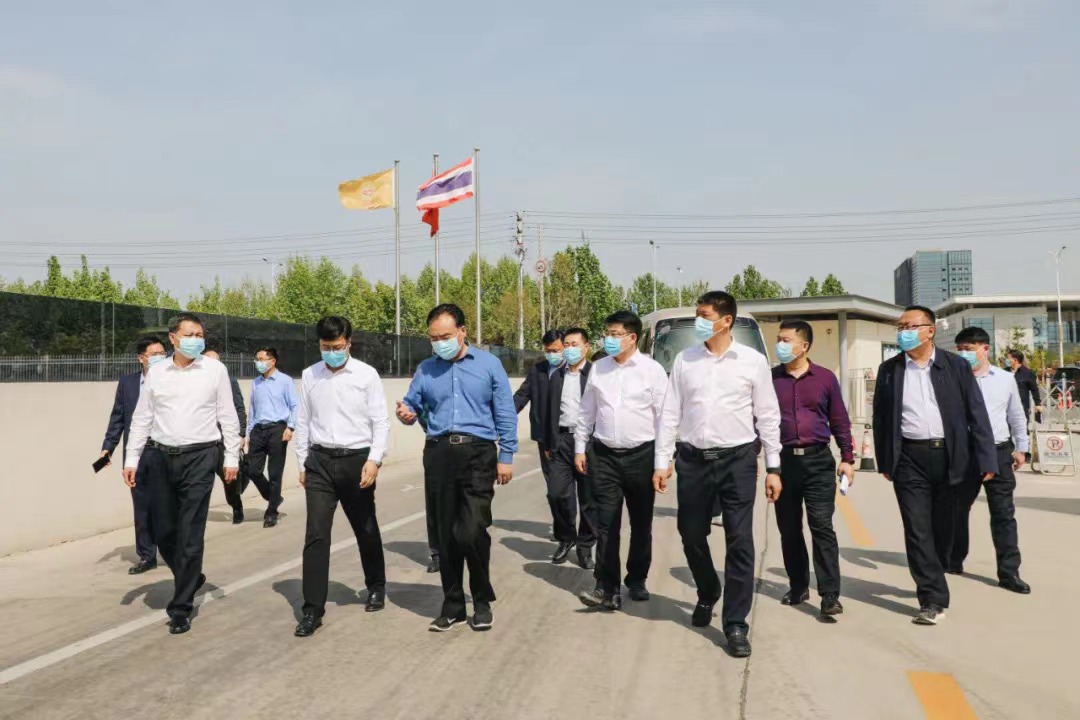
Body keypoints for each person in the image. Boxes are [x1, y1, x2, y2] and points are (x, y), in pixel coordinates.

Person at [653, 292, 782, 658]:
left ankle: (736, 623)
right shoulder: (685, 360)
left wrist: (773, 467)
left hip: (738, 460)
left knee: (740, 540)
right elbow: (670, 413)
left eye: (704, 315)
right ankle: (708, 589)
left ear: (726, 321)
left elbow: (768, 415)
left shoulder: (753, 362)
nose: (699, 321)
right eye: (697, 314)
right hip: (693, 460)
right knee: (691, 533)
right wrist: (662, 461)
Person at [872, 305, 996, 626]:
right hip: (909, 459)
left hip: (951, 457)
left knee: (944, 528)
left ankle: (936, 568)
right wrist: (885, 460)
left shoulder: (955, 366)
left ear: (930, 331)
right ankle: (932, 598)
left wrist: (986, 457)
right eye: (901, 327)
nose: (904, 332)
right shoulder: (890, 370)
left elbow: (976, 413)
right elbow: (881, 418)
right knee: (917, 529)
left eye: (910, 326)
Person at [397, 304, 517, 633]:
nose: (440, 343)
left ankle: (481, 600)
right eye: (434, 338)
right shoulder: (426, 369)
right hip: (439, 454)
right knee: (446, 534)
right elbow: (412, 404)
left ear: (463, 331)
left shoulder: (489, 365)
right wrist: (406, 413)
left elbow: (505, 411)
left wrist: (507, 454)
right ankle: (452, 606)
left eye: (446, 336)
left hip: (478, 453)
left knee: (472, 530)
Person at [123, 313, 241, 635]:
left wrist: (231, 457)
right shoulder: (157, 373)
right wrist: (132, 459)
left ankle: (180, 608)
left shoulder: (215, 370)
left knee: (190, 532)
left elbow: (228, 416)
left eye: (199, 334)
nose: (196, 340)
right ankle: (190, 574)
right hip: (161, 458)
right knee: (163, 532)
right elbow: (142, 418)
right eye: (189, 334)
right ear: (173, 338)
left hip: (201, 457)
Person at [292, 316, 390, 638]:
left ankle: (375, 585)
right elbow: (303, 421)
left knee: (365, 527)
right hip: (319, 462)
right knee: (316, 534)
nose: (331, 352)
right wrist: (303, 463)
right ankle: (312, 609)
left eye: (337, 346)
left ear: (348, 342)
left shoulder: (366, 375)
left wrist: (374, 460)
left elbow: (380, 421)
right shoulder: (310, 375)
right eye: (325, 347)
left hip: (356, 461)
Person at [575, 310, 667, 612]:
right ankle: (607, 587)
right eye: (607, 334)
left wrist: (662, 462)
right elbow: (586, 411)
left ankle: (637, 578)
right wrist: (580, 448)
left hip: (642, 456)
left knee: (641, 523)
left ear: (632, 337)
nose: (609, 340)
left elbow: (664, 419)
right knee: (606, 523)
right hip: (604, 456)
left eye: (615, 334)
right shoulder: (599, 369)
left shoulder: (652, 370)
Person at [770, 320, 854, 619]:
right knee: (789, 528)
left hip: (818, 462)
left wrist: (847, 458)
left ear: (804, 345)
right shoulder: (771, 379)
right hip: (783, 463)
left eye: (785, 340)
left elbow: (839, 419)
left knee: (821, 526)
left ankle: (830, 594)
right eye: (778, 339)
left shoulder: (825, 378)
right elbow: (759, 421)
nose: (779, 345)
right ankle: (798, 585)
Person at [950, 328, 1031, 594]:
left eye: (969, 348)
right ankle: (953, 559)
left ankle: (1009, 572)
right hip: (965, 454)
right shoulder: (950, 379)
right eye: (960, 349)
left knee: (1003, 513)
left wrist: (1021, 448)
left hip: (998, 452)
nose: (963, 354)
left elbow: (1016, 415)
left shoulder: (1005, 379)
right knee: (956, 510)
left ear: (985, 349)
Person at [100, 335, 168, 575]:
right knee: (142, 507)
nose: (160, 358)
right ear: (142, 358)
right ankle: (147, 555)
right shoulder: (127, 383)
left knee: (167, 505)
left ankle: (172, 550)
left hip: (166, 451)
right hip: (137, 453)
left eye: (163, 354)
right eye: (154, 354)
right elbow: (118, 417)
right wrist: (108, 447)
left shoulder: (173, 380)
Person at [542, 327, 597, 568]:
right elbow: (549, 411)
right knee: (556, 493)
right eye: (566, 345)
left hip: (590, 443)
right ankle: (566, 537)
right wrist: (548, 442)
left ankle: (585, 546)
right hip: (562, 441)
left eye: (575, 344)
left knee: (589, 499)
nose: (569, 349)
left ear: (586, 347)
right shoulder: (557, 376)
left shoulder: (596, 374)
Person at [246, 347, 298, 528]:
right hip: (258, 430)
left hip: (278, 430)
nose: (258, 362)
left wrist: (290, 427)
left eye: (261, 359)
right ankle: (273, 496)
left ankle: (271, 512)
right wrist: (249, 433)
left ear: (273, 361)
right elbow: (252, 409)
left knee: (275, 472)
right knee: (252, 470)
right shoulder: (256, 383)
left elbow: (294, 406)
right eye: (257, 359)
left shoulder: (285, 381)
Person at [203, 349, 247, 524]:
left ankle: (236, 506)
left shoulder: (229, 381)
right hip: (203, 440)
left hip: (222, 439)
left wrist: (241, 434)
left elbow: (239, 408)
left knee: (229, 478)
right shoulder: (195, 380)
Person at [514, 329, 564, 480]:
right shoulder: (537, 370)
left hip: (566, 434)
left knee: (570, 481)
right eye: (548, 351)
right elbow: (522, 395)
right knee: (551, 479)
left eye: (556, 350)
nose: (551, 354)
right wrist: (504, 413)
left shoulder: (572, 371)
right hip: (544, 434)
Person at [1006, 349, 1043, 426]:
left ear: (1015, 360)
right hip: (1006, 407)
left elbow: (1034, 389)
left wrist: (1038, 404)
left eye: (1008, 358)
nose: (1007, 360)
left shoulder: (1028, 373)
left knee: (1022, 429)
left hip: (1022, 408)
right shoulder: (1005, 372)